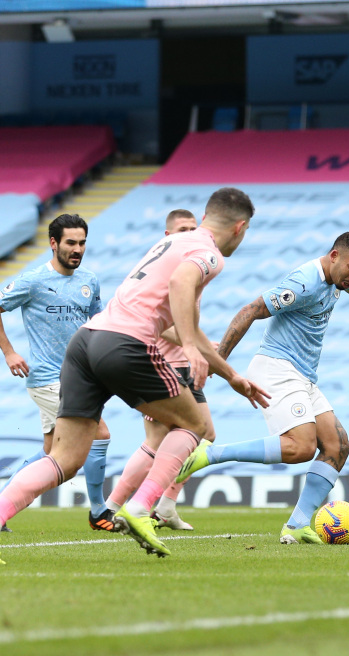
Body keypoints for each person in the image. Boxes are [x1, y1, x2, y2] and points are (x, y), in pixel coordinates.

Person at [0, 188, 270, 564]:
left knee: (65, 458)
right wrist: (188, 344)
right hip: (127, 344)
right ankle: (140, 509)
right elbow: (180, 285)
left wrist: (231, 376)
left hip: (85, 343)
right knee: (196, 425)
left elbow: (176, 305)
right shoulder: (209, 253)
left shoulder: (171, 242)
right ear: (240, 227)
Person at [175, 232, 349, 545]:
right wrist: (220, 362)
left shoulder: (340, 278)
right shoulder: (304, 283)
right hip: (277, 368)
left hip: (302, 375)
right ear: (334, 256)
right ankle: (212, 453)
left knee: (337, 446)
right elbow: (250, 310)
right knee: (301, 447)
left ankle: (297, 525)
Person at [0, 213, 116, 532]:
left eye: (82, 242)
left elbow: (98, 326)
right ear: (53, 244)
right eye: (70, 242)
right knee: (99, 434)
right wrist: (9, 352)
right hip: (48, 377)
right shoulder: (33, 281)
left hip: (79, 378)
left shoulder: (89, 281)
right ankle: (98, 511)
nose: (77, 249)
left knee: (51, 452)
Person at [101, 209, 213, 532]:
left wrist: (201, 346)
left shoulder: (190, 266)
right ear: (167, 236)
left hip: (183, 363)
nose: (190, 234)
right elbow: (153, 322)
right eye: (182, 229)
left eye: (194, 229)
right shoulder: (163, 270)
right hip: (164, 362)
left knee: (203, 434)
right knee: (156, 442)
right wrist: (193, 343)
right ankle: (116, 506)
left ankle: (163, 504)